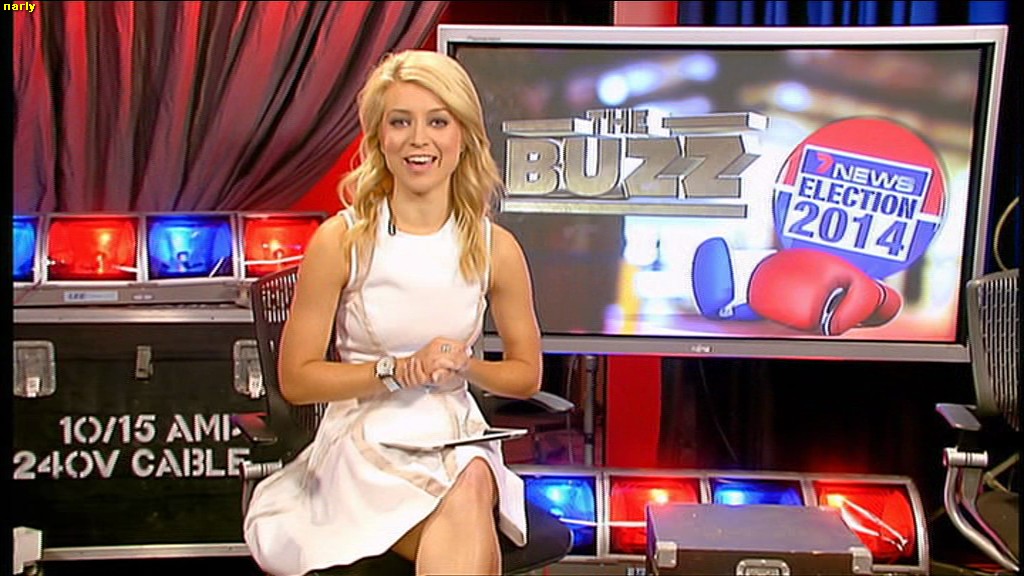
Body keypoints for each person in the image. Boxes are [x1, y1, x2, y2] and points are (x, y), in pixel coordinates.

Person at [243, 50, 543, 576]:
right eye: (400, 122)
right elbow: (297, 380)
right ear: (380, 138)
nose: (418, 139)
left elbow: (526, 376)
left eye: (438, 122)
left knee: (471, 476)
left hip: (455, 431)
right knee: (468, 507)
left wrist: (466, 365)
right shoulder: (341, 241)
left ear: (463, 135)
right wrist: (394, 370)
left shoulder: (496, 248)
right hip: (364, 434)